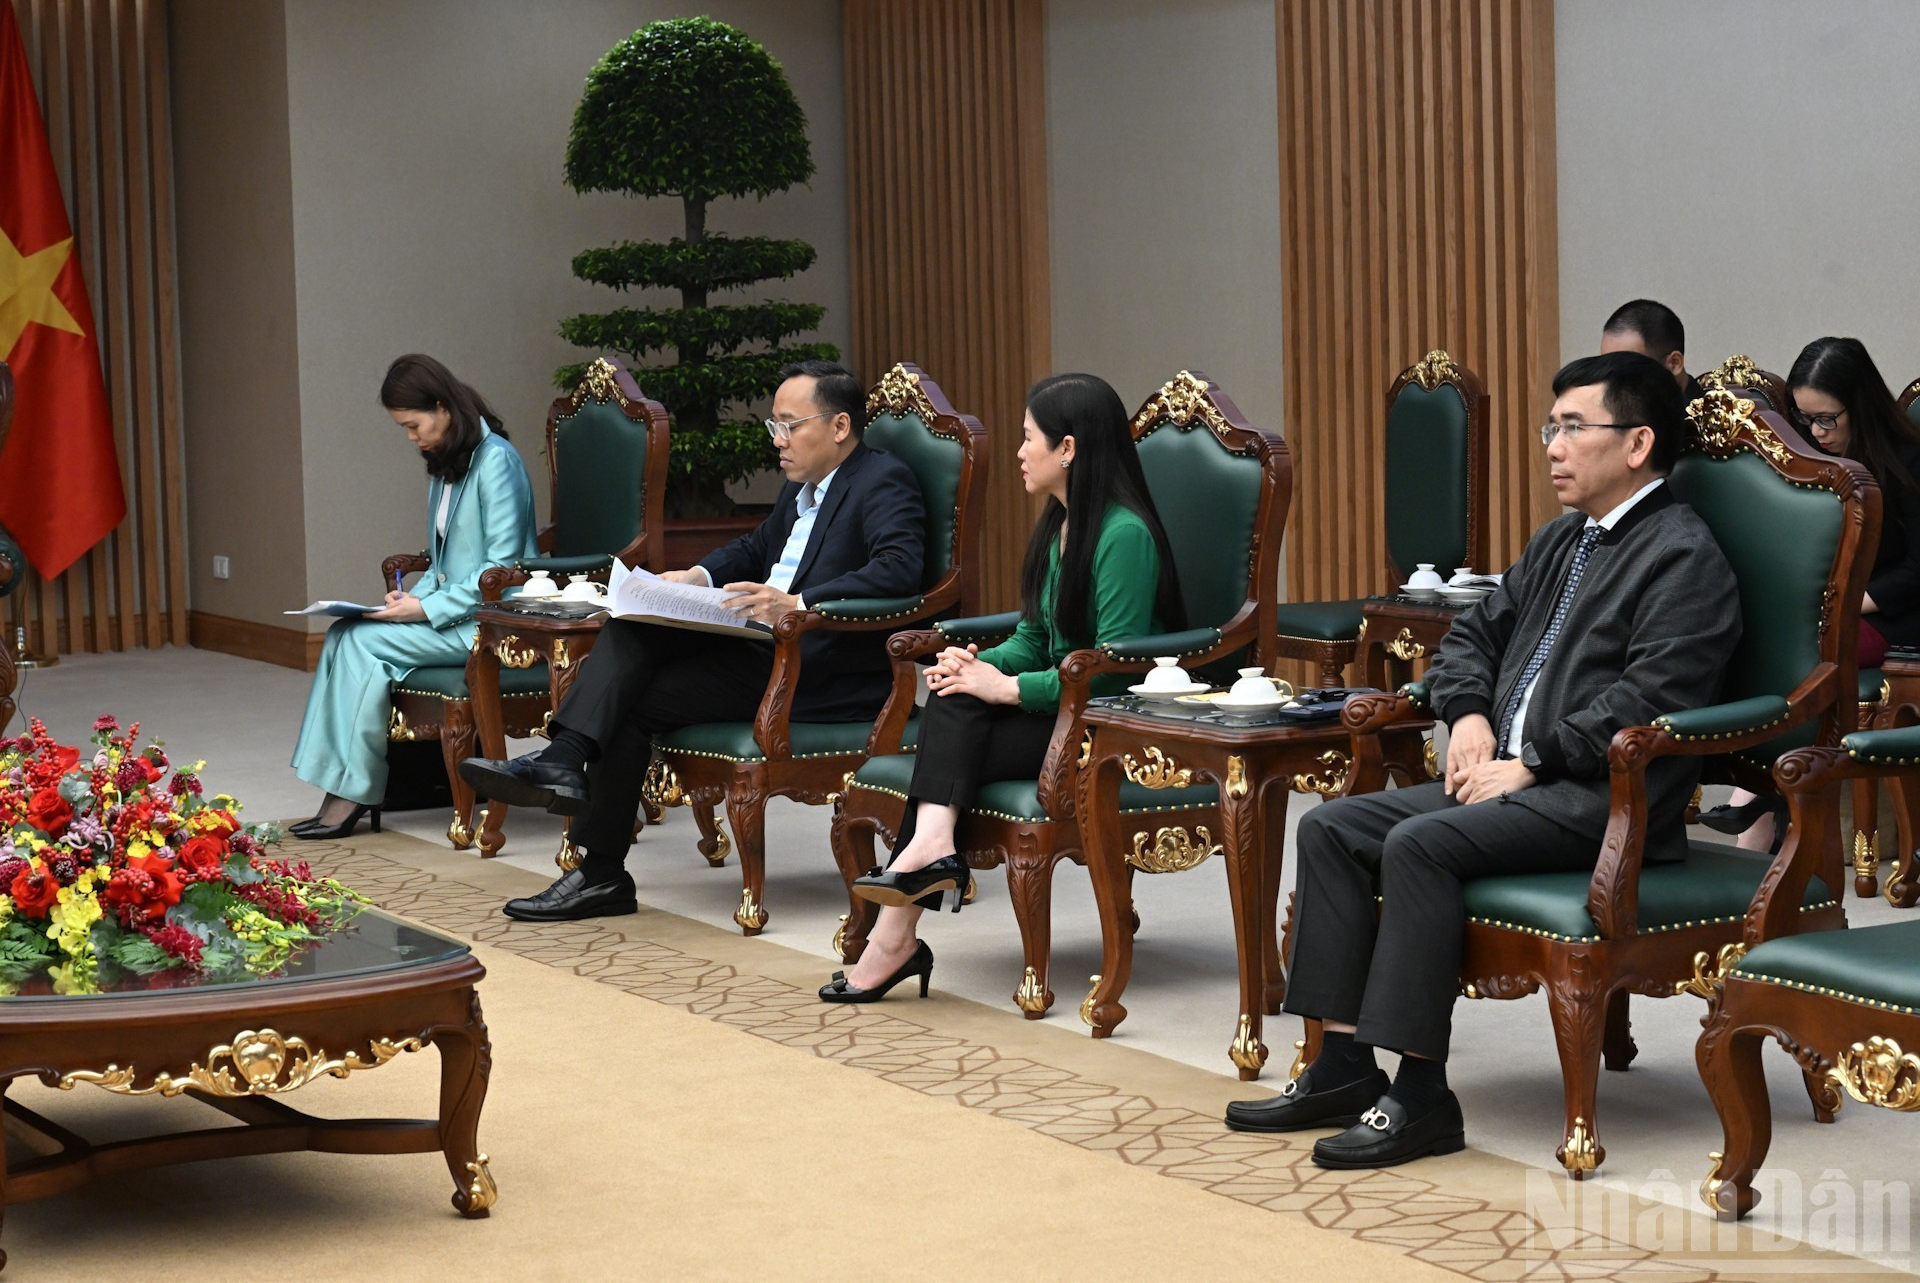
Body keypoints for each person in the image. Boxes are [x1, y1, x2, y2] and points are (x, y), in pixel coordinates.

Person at [1223, 352, 1739, 1169]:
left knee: (1418, 843)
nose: (1553, 447)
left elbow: (1650, 699)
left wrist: (1531, 758)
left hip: (1599, 800)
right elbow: (1472, 635)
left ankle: (1422, 1093)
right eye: (1552, 427)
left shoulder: (1683, 556)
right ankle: (1343, 1065)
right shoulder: (1563, 540)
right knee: (1333, 829)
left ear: (1638, 443)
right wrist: (1465, 714)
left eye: (1574, 428)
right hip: (1512, 779)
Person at [468, 359, 926, 922]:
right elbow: (758, 547)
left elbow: (900, 569)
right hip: (756, 649)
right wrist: (695, 579)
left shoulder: (882, 479)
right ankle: (599, 864)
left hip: (813, 667)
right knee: (632, 632)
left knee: (624, 693)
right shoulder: (803, 487)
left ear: (839, 427)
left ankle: (570, 776)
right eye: (772, 426)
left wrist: (801, 603)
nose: (777, 441)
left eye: (789, 425)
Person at [818, 372, 1185, 1002]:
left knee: (961, 714)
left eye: (1027, 438)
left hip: (1106, 723)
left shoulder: (1124, 535)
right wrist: (976, 664)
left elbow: (1111, 666)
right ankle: (925, 866)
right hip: (1059, 707)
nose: (1018, 452)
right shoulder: (1059, 526)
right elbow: (1039, 640)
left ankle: (898, 931)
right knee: (957, 696)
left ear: (1067, 448)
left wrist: (1007, 690)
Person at [289, 354, 537, 840]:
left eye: (413, 424)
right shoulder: (450, 464)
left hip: (491, 622)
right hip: (455, 612)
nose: (411, 436)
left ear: (443, 407)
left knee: (362, 645)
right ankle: (339, 781)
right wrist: (405, 604)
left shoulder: (497, 462)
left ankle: (355, 790)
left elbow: (504, 570)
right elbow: (446, 565)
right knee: (346, 632)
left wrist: (423, 608)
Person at [1699, 335, 1920, 849]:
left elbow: (1917, 569)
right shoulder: (1806, 463)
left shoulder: (1909, 461)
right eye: (1804, 419)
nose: (1816, 433)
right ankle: (1757, 801)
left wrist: (1844, 604)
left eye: (1827, 419)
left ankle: (1752, 810)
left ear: (1859, 407)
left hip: (1894, 615)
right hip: (1831, 611)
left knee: (1796, 654)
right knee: (1765, 640)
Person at [1601, 298, 1699, 399]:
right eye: (1606, 367)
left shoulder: (1712, 410)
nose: (1611, 384)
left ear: (1674, 363)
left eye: (1628, 371)